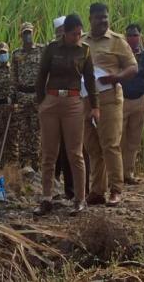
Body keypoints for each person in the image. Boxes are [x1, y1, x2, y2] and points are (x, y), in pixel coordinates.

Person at [34, 13, 99, 216]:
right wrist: (41, 101)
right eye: (73, 34)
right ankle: (46, 198)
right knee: (49, 153)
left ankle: (80, 199)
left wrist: (95, 106)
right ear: (65, 32)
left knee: (75, 153)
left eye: (79, 34)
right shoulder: (52, 49)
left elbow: (89, 80)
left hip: (73, 103)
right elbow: (42, 75)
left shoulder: (85, 51)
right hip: (51, 101)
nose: (77, 37)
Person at [82, 3, 138, 207]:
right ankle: (97, 191)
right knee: (92, 146)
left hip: (109, 98)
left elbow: (133, 67)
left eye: (106, 17)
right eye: (99, 18)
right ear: (90, 19)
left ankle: (116, 189)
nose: (103, 21)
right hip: (86, 99)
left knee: (111, 145)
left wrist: (117, 77)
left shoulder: (117, 41)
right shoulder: (82, 42)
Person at [52, 16, 91, 198]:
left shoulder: (82, 51)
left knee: (79, 150)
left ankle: (84, 189)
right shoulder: (53, 52)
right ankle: (70, 190)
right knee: (64, 150)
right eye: (59, 33)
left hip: (78, 103)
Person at [121, 23, 144, 184]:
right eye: (129, 35)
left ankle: (128, 174)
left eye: (135, 35)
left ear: (140, 37)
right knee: (119, 138)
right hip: (122, 100)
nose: (132, 38)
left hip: (139, 100)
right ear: (125, 37)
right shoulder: (121, 55)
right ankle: (115, 174)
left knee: (134, 139)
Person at [12, 22, 44, 171]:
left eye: (29, 32)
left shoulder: (41, 50)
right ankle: (24, 161)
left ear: (34, 32)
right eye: (25, 33)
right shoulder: (16, 54)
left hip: (36, 95)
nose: (27, 36)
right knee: (23, 129)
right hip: (23, 95)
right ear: (21, 35)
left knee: (36, 129)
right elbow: (14, 75)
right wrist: (14, 96)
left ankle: (36, 161)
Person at [0, 42, 19, 168]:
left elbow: (17, 86)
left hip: (11, 108)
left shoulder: (13, 69)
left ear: (8, 53)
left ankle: (13, 165)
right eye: (0, 53)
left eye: (4, 52)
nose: (2, 55)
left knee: (13, 136)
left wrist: (15, 102)